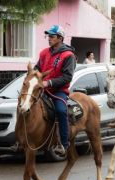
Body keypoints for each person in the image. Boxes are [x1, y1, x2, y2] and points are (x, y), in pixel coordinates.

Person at [34, 25, 76, 156]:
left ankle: (63, 144)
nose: (49, 38)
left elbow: (67, 77)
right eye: (48, 36)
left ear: (60, 38)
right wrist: (33, 75)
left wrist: (49, 82)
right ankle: (20, 140)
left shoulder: (68, 55)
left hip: (58, 91)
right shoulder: (44, 52)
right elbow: (37, 68)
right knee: (24, 105)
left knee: (61, 111)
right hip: (42, 90)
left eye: (52, 36)